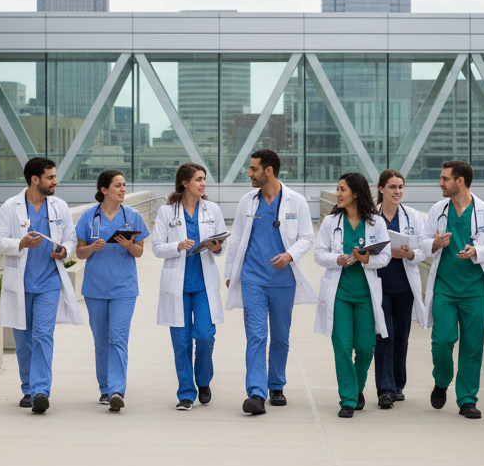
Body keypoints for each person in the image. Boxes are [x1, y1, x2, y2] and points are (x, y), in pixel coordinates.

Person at [224, 149, 316, 415]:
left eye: (253, 169)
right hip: (253, 277)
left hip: (283, 280)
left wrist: (289, 255)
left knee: (280, 337)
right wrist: (231, 273)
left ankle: (276, 384)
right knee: (255, 335)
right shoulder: (247, 201)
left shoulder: (295, 201)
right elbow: (238, 239)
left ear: (269, 171)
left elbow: (306, 237)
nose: (249, 174)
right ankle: (256, 392)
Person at [420, 160, 484, 419]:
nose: (440, 183)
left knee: (472, 346)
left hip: (474, 290)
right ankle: (441, 381)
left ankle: (467, 399)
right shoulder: (438, 210)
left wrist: (477, 251)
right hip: (445, 289)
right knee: (442, 340)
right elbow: (424, 243)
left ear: (459, 181)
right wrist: (435, 243)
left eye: (444, 179)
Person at [0, 157, 82, 415]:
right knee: (24, 339)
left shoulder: (59, 206)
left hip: (49, 282)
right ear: (35, 179)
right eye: (50, 177)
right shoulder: (11, 207)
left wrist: (65, 250)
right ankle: (28, 388)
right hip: (20, 283)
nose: (55, 182)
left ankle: (41, 390)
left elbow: (71, 238)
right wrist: (20, 244)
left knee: (43, 336)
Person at [313, 172, 392, 418]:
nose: (337, 194)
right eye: (337, 189)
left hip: (366, 295)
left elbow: (386, 256)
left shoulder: (376, 223)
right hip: (340, 294)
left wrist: (367, 259)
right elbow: (318, 254)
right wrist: (336, 259)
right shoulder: (331, 222)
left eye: (342, 190)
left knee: (366, 347)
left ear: (356, 193)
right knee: (343, 347)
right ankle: (348, 398)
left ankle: (357, 387)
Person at [151, 163, 227, 411]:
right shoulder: (166, 212)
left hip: (204, 284)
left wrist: (216, 247)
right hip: (177, 286)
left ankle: (203, 381)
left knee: (205, 335)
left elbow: (219, 244)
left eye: (204, 179)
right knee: (181, 342)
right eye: (198, 179)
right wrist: (177, 246)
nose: (203, 183)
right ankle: (186, 392)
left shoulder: (212, 209)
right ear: (185, 183)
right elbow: (156, 247)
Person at [75, 170, 151, 412]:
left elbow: (139, 252)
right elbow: (79, 252)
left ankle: (117, 390)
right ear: (104, 189)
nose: (123, 190)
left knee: (118, 338)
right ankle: (105, 388)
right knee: (101, 341)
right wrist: (92, 247)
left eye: (125, 185)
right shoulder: (89, 216)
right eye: (118, 185)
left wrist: (129, 244)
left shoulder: (133, 216)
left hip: (124, 289)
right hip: (95, 288)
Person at [372, 169, 428, 408]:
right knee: (385, 335)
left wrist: (411, 253)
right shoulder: (370, 215)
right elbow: (364, 246)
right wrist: (385, 252)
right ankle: (385, 389)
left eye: (401, 187)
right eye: (393, 187)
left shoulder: (413, 216)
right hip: (379, 283)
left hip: (404, 285)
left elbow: (424, 246)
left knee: (402, 337)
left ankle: (397, 383)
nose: (397, 191)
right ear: (381, 189)